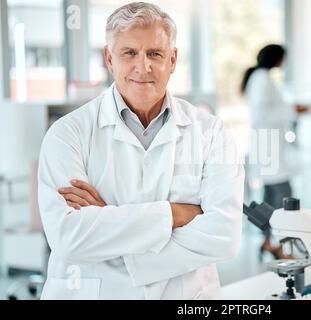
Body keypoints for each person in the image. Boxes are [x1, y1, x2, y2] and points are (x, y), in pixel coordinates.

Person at [37, 2, 244, 300]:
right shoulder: (67, 134)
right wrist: (174, 214)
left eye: (155, 54)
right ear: (110, 59)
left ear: (173, 60)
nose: (142, 67)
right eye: (129, 53)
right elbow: (68, 236)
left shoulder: (211, 133)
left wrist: (108, 224)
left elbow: (224, 235)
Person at [241, 44, 308, 260]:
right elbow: (262, 115)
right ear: (276, 58)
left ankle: (270, 242)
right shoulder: (262, 78)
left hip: (268, 147)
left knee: (270, 199)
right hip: (269, 148)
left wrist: (289, 110)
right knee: (283, 198)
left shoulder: (262, 77)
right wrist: (291, 111)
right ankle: (278, 245)